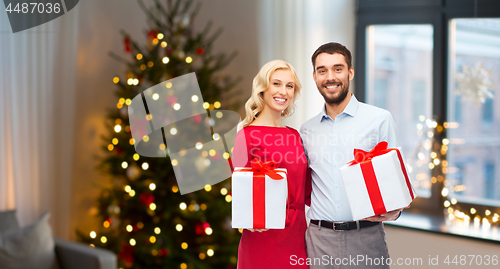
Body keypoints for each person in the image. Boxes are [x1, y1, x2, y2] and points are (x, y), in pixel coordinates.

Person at [300, 42, 405, 269]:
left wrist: (395, 211)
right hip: (319, 240)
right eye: (322, 70)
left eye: (338, 69)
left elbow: (397, 181)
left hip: (366, 238)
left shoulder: (379, 119)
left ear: (350, 72)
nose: (330, 77)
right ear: (315, 76)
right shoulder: (306, 130)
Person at [232, 59, 310, 268]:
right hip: (262, 238)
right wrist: (251, 220)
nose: (283, 91)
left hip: (298, 237)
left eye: (289, 86)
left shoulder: (295, 135)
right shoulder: (246, 136)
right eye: (276, 83)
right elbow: (239, 192)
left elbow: (308, 189)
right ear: (263, 88)